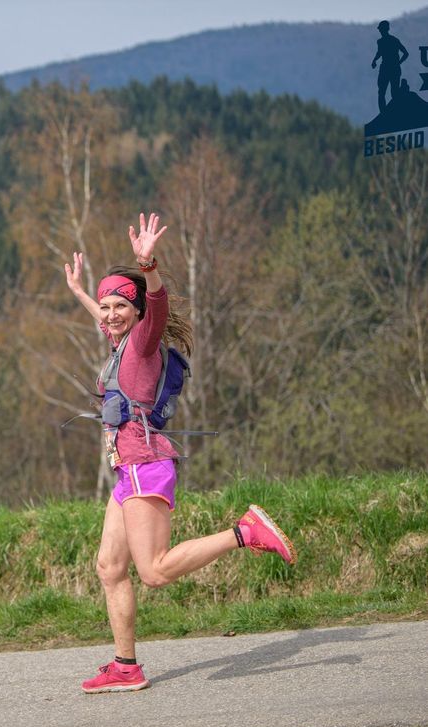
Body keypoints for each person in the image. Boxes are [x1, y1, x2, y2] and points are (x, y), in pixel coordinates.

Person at [64, 214, 296, 694]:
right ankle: (125, 666)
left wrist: (148, 267)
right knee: (110, 567)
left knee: (153, 570)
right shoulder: (123, 340)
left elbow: (156, 304)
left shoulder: (145, 341)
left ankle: (244, 531)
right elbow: (110, 317)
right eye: (104, 307)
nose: (108, 315)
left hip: (146, 465)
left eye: (117, 307)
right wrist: (82, 294)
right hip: (128, 470)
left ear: (138, 312)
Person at [371, 19, 409, 114]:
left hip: (391, 69)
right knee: (382, 92)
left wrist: (399, 63)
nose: (380, 31)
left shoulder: (393, 40)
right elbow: (379, 52)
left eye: (381, 29)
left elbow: (405, 53)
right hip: (388, 69)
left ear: (385, 29)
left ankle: (394, 113)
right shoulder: (381, 42)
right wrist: (374, 60)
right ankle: (383, 114)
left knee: (393, 93)